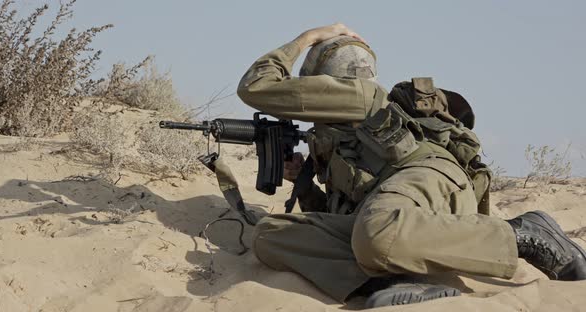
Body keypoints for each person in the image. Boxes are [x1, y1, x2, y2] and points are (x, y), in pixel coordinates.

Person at [237, 23, 586, 308]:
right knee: (270, 234)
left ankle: (524, 234)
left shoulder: (359, 95)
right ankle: (397, 283)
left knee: (377, 232)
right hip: (393, 205)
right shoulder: (334, 133)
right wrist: (305, 183)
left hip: (428, 177)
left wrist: (308, 37)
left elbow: (257, 86)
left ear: (320, 77)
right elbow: (340, 216)